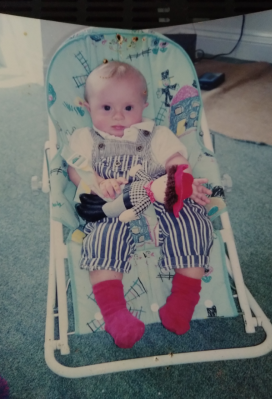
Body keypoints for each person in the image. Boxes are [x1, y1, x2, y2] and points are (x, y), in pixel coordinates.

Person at [67, 61, 213, 349]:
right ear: (88, 107)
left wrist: (182, 181)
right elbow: (75, 170)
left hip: (160, 198)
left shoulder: (156, 134)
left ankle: (183, 300)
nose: (118, 115)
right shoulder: (84, 138)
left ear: (144, 105)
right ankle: (115, 315)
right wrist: (98, 183)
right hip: (114, 205)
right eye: (106, 108)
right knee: (101, 239)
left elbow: (176, 161)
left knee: (195, 222)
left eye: (129, 107)